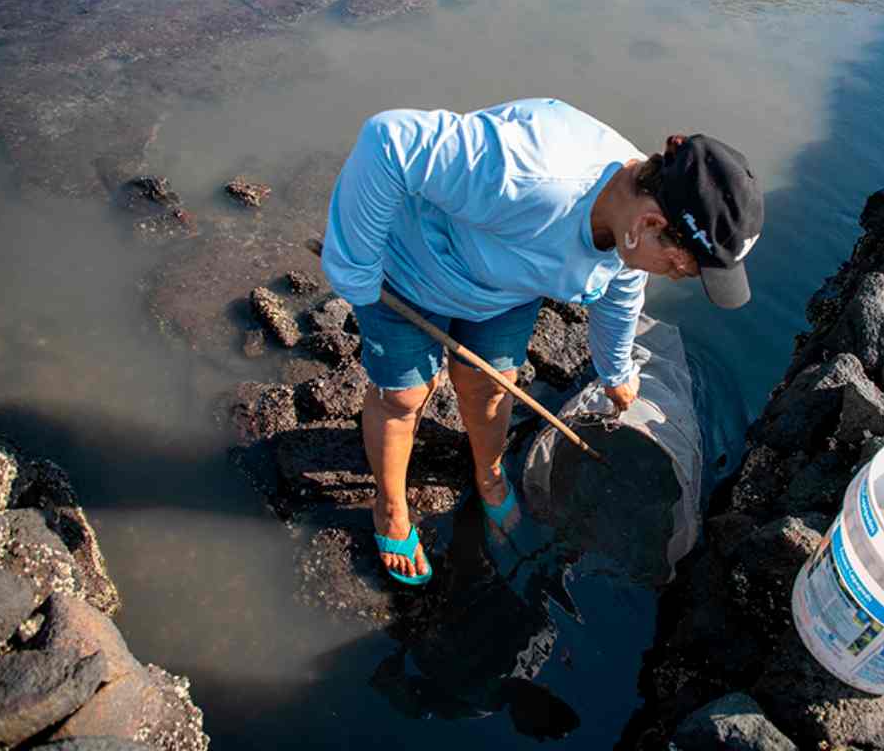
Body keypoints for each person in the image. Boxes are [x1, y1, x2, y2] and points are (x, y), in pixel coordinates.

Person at [321, 97, 763, 585]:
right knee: (402, 397)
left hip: (504, 290)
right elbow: (388, 143)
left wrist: (616, 375)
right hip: (408, 271)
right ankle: (390, 507)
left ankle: (489, 476)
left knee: (493, 386)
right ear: (650, 225)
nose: (676, 278)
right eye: (680, 269)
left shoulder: (630, 230)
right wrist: (355, 271)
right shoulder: (529, 174)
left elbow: (620, 295)